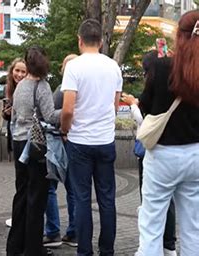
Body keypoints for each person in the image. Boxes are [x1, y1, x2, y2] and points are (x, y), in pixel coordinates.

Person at [135, 10, 199, 256]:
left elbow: (145, 107)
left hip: (163, 155)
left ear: (178, 36)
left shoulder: (162, 68)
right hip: (196, 154)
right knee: (193, 228)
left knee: (151, 224)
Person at [61, 19, 123, 256]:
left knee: (82, 198)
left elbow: (67, 109)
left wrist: (66, 130)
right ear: (101, 41)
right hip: (105, 140)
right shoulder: (113, 67)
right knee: (107, 199)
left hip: (79, 142)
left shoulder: (74, 67)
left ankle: (84, 251)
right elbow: (115, 106)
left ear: (80, 40)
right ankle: (107, 250)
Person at [122, 51, 177, 256]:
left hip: (154, 153)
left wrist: (133, 105)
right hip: (175, 155)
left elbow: (146, 124)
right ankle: (168, 245)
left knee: (151, 204)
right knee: (169, 204)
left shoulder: (155, 87)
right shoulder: (175, 84)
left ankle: (153, 247)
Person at [6, 46, 60, 256]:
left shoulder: (21, 86)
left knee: (21, 194)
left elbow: (15, 116)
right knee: (37, 197)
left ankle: (15, 246)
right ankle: (33, 249)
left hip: (20, 142)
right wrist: (69, 109)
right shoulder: (42, 85)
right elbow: (49, 115)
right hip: (36, 145)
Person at [43, 54, 78, 248]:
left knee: (50, 187)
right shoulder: (84, 88)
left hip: (60, 142)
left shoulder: (62, 90)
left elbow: (54, 115)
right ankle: (74, 232)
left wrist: (64, 129)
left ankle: (53, 232)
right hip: (76, 143)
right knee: (74, 190)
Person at [2, 58, 27, 228]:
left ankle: (21, 217)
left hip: (25, 139)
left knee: (24, 181)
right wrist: (7, 113)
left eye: (23, 71)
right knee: (21, 180)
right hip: (15, 137)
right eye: (16, 70)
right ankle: (20, 215)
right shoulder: (10, 88)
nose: (19, 74)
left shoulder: (28, 88)